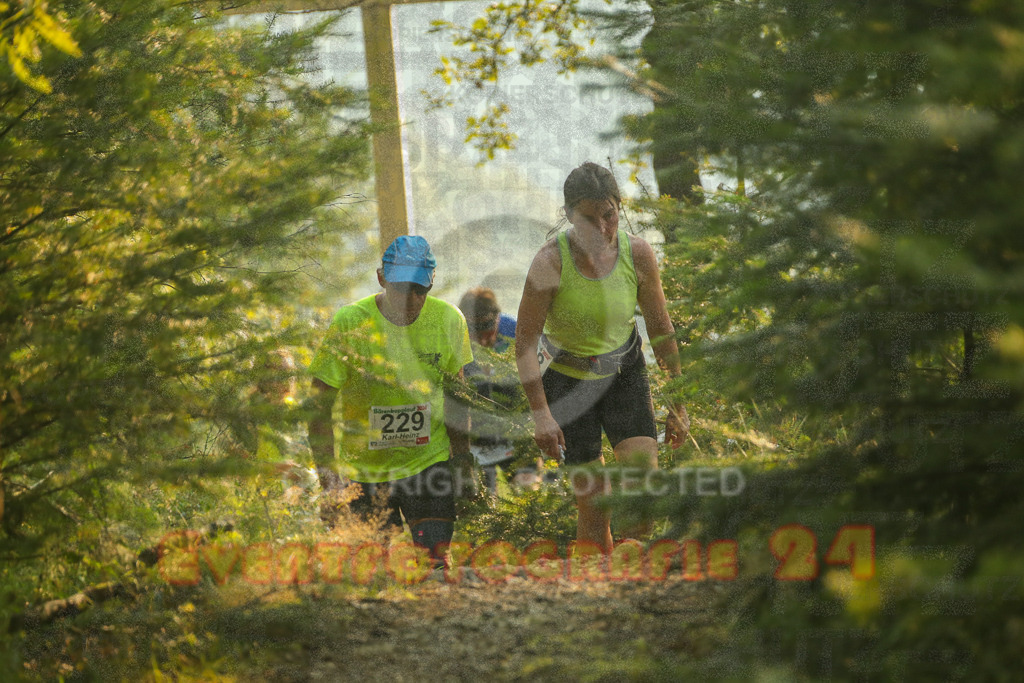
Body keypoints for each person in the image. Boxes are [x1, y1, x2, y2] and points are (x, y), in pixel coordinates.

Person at [515, 162, 690, 554]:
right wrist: (541, 415)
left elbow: (661, 331)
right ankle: (594, 591)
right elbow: (525, 345)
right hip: (566, 381)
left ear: (618, 206)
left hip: (623, 372)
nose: (602, 228)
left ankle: (628, 572)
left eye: (608, 215)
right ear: (570, 216)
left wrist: (679, 402)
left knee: (641, 488)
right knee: (594, 505)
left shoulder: (638, 254)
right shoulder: (549, 262)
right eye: (588, 219)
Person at [307, 235, 474, 567]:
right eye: (400, 289)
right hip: (365, 472)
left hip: (428, 464)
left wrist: (463, 464)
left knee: (435, 565)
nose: (410, 301)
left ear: (431, 283)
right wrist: (329, 478)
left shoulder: (448, 320)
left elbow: (458, 399)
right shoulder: (351, 323)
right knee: (371, 574)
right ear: (381, 278)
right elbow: (317, 406)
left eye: (419, 291)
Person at [458, 287, 523, 492]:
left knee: (528, 492)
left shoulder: (512, 330)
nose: (483, 338)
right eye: (473, 329)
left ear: (497, 318)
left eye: (487, 326)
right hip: (476, 435)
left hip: (513, 429)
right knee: (482, 500)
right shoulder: (456, 337)